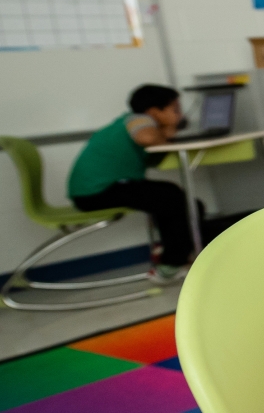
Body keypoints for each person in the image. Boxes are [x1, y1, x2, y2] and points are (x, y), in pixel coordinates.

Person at [68, 85, 215, 280]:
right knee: (171, 197)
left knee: (179, 200)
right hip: (96, 192)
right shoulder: (140, 119)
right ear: (155, 111)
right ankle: (171, 265)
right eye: (175, 110)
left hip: (96, 190)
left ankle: (176, 253)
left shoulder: (132, 123)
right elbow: (147, 138)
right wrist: (169, 131)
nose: (180, 115)